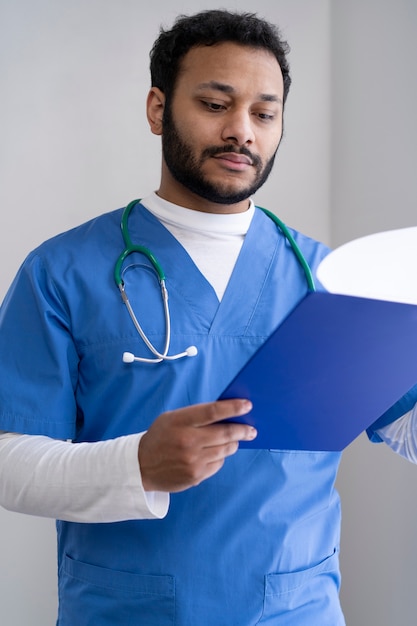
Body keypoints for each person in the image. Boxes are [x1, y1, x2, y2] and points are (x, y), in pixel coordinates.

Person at [0, 9, 417, 625]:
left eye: (264, 113)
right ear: (156, 109)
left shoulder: (328, 280)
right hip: (127, 613)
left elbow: (404, 425)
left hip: (294, 611)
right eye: (216, 104)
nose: (241, 131)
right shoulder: (63, 271)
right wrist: (137, 464)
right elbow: (9, 460)